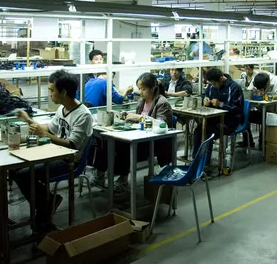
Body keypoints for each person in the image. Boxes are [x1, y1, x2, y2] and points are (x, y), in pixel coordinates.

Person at [14, 70, 93, 232]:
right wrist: (28, 120)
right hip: (55, 153)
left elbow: (72, 145)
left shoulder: (83, 115)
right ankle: (47, 205)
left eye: (51, 90)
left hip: (70, 161)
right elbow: (49, 129)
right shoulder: (62, 109)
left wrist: (44, 135)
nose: (49, 94)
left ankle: (46, 207)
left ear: (63, 92)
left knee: (24, 174)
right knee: (15, 169)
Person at [92, 73, 174, 192]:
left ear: (152, 88)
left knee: (122, 146)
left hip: (154, 142)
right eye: (139, 89)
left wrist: (139, 118)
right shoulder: (141, 101)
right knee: (106, 140)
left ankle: (123, 180)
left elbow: (161, 125)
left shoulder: (162, 103)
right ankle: (99, 174)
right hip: (139, 136)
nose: (140, 92)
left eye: (143, 89)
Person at [192, 68, 244, 166]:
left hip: (229, 122)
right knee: (198, 130)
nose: (213, 86)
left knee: (207, 134)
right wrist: (205, 99)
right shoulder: (212, 86)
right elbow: (206, 94)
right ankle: (196, 160)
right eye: (211, 84)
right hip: (213, 120)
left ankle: (204, 164)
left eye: (215, 84)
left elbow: (238, 108)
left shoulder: (234, 87)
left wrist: (220, 104)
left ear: (221, 78)